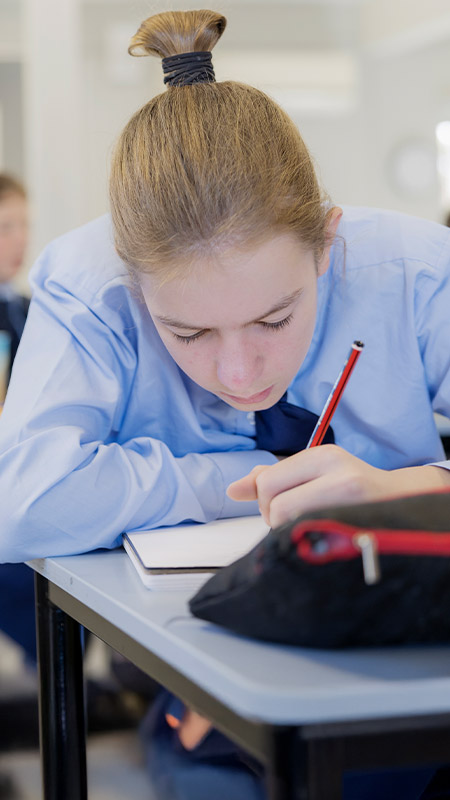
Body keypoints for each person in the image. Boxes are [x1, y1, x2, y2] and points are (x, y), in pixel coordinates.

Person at [0, 8, 449, 799]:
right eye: (188, 331)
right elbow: (21, 503)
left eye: (275, 319)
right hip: (197, 639)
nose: (240, 373)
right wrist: (238, 476)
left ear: (327, 242)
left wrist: (402, 487)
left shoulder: (418, 273)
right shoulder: (91, 284)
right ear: (130, 280)